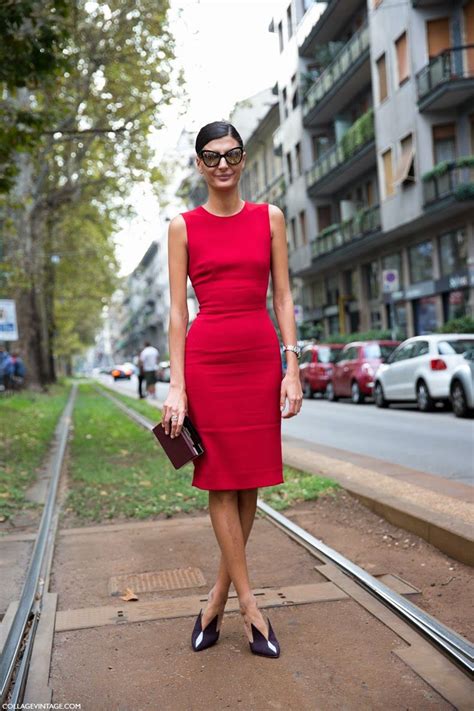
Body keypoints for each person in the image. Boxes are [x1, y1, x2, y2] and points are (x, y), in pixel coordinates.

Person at [162, 121, 303, 658]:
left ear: (244, 160)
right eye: (212, 157)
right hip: (208, 361)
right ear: (199, 164)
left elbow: (284, 298)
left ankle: (215, 599)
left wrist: (291, 366)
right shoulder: (183, 226)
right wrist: (178, 385)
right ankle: (251, 607)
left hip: (259, 357)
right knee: (221, 480)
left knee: (250, 481)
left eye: (232, 155)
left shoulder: (270, 218)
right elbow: (178, 311)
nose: (223, 164)